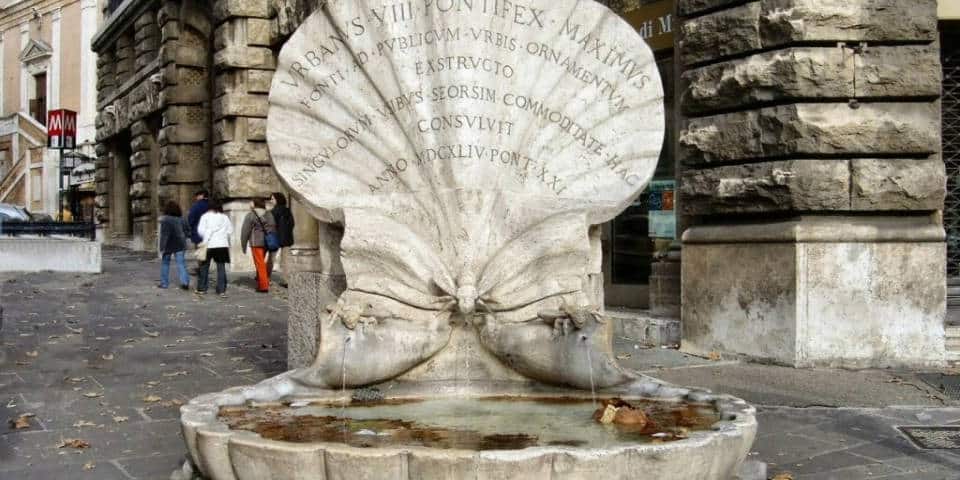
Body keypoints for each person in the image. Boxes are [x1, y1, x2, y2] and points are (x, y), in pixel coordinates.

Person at [196, 199, 233, 297]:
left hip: (209, 244)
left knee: (204, 267)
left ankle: (202, 288)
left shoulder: (205, 217)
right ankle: (221, 290)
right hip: (222, 245)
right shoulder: (224, 217)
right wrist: (222, 234)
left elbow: (200, 231)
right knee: (221, 268)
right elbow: (230, 230)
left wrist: (207, 234)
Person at [240, 198, 276, 293]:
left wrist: (243, 245)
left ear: (254, 204)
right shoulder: (269, 214)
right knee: (261, 263)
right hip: (267, 242)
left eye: (251, 202)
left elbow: (245, 231)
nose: (249, 204)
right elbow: (273, 227)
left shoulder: (251, 215)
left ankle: (263, 286)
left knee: (260, 264)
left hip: (256, 243)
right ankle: (263, 281)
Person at [158, 200, 190, 290]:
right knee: (181, 263)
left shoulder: (165, 220)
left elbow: (164, 235)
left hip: (168, 244)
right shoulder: (183, 219)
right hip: (180, 243)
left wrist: (161, 247)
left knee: (165, 263)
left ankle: (164, 284)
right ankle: (185, 282)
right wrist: (184, 236)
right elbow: (188, 231)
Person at [267, 192, 295, 282]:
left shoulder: (273, 212)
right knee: (286, 260)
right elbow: (292, 223)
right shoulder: (287, 210)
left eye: (272, 199)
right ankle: (287, 280)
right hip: (287, 238)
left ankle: (266, 277)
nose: (271, 201)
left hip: (275, 237)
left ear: (278, 200)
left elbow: (270, 225)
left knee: (271, 258)